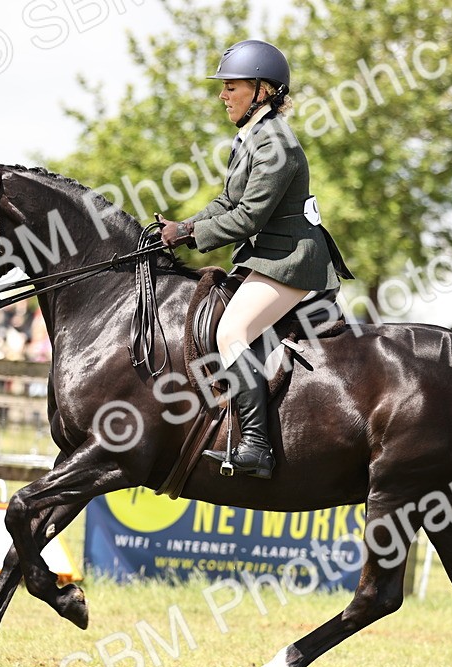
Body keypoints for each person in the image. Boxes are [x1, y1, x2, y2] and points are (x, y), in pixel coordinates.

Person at [158, 39, 349, 479]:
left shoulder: (276, 143)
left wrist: (190, 235)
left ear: (262, 90)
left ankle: (257, 448)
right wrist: (180, 228)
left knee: (232, 331)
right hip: (266, 258)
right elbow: (227, 200)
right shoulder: (250, 138)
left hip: (290, 259)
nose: (222, 95)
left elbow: (248, 216)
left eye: (231, 87)